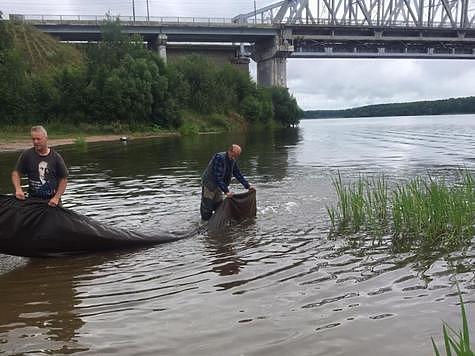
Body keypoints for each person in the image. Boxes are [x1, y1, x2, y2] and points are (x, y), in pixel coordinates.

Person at [11, 125, 69, 207]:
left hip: (52, 201)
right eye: (33, 139)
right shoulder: (27, 155)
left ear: (46, 138)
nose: (35, 142)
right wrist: (18, 189)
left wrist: (56, 197)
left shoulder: (56, 157)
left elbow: (63, 179)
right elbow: (16, 173)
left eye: (38, 139)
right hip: (33, 200)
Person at [200, 144, 254, 221]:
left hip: (219, 185)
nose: (235, 157)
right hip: (209, 184)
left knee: (218, 205)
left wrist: (248, 186)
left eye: (237, 156)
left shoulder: (232, 160)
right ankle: (205, 223)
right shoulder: (219, 157)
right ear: (230, 151)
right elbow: (217, 176)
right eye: (235, 155)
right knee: (207, 207)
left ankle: (215, 221)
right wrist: (226, 192)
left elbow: (237, 173)